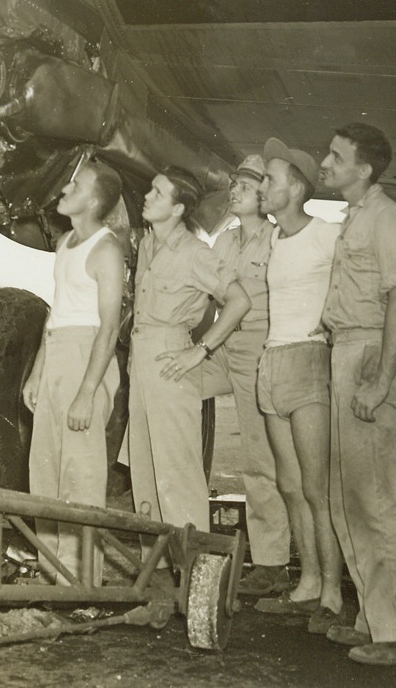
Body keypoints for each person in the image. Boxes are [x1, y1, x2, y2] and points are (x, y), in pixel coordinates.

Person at [318, 123, 396, 666]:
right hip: (347, 350)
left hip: (369, 354)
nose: (325, 163)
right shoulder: (356, 219)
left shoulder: (387, 219)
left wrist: (381, 381)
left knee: (378, 500)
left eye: (336, 157)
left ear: (363, 169)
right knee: (350, 499)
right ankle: (375, 619)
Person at [123, 166, 251, 549]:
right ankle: (157, 569)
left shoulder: (195, 254)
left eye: (158, 193)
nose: (147, 197)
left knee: (178, 477)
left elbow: (239, 301)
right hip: (141, 365)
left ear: (178, 209)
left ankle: (195, 572)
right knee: (145, 475)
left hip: (170, 365)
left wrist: (200, 351)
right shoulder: (148, 245)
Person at [253, 138, 344, 634]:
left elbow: (360, 279)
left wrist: (332, 318)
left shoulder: (326, 234)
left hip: (309, 361)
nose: (263, 186)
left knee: (316, 488)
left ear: (296, 188)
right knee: (289, 486)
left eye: (270, 179)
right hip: (272, 362)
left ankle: (332, 592)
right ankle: (308, 583)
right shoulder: (273, 239)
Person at [22, 159, 125, 585]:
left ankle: (81, 585)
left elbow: (109, 327)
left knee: (80, 479)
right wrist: (37, 372)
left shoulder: (107, 250)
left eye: (76, 185)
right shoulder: (65, 243)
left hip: (87, 359)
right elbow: (56, 314)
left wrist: (87, 392)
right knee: (46, 474)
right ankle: (53, 576)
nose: (65, 189)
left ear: (95, 201)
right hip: (58, 355)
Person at [209, 155, 291, 598]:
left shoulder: (277, 241)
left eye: (243, 185)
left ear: (263, 195)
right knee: (167, 384)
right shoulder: (224, 240)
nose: (233, 191)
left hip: (258, 349)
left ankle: (272, 564)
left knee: (259, 461)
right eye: (233, 183)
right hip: (221, 343)